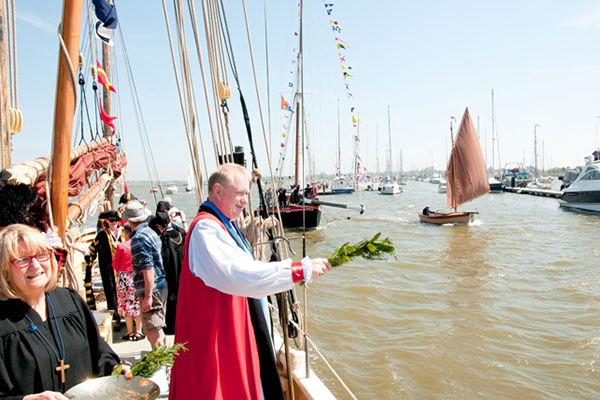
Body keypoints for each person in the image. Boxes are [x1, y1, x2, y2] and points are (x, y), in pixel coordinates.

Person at [169, 163, 331, 400]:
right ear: (217, 191)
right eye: (240, 193)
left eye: (247, 194)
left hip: (232, 331)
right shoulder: (207, 229)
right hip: (216, 338)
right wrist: (299, 270)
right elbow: (238, 274)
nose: (245, 200)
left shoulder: (225, 224)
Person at [0, 224, 128, 398]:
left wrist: (116, 369)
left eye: (41, 255)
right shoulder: (3, 324)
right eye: (22, 260)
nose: (35, 265)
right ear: (5, 270)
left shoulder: (70, 301)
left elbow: (99, 352)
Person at [122, 200, 167, 348]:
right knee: (157, 328)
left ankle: (162, 364)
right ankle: (165, 361)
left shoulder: (138, 239)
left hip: (152, 289)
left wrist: (147, 296)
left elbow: (148, 269)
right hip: (160, 285)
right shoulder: (150, 233)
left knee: (152, 330)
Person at [149, 211, 185, 335]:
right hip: (182, 269)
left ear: (159, 227)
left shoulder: (163, 239)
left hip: (170, 270)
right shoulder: (180, 233)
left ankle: (171, 325)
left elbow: (162, 257)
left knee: (171, 298)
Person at [84, 210, 122, 326]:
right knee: (110, 290)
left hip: (122, 268)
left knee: (122, 290)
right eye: (111, 221)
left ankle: (125, 314)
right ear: (106, 221)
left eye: (116, 220)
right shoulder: (102, 235)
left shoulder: (123, 233)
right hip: (108, 268)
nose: (114, 223)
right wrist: (88, 259)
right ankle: (115, 316)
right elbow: (92, 249)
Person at [112, 223, 144, 341]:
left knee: (126, 305)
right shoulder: (139, 245)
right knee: (137, 304)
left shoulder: (121, 246)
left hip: (125, 277)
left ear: (126, 233)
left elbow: (116, 264)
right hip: (136, 276)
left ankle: (129, 331)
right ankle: (139, 331)